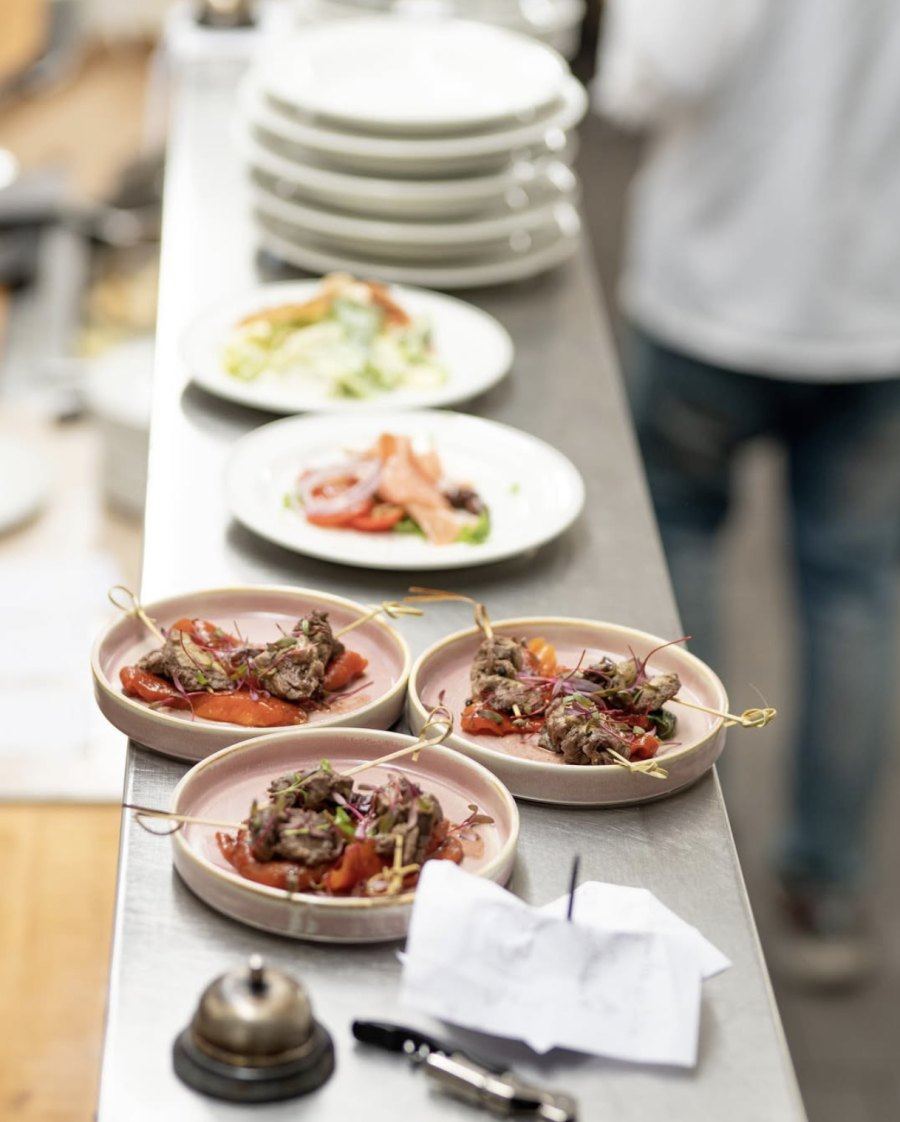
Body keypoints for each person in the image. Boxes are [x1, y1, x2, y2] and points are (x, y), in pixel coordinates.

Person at [595, 0, 900, 986]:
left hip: (716, 288)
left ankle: (693, 871)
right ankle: (828, 896)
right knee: (854, 595)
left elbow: (655, 72)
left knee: (677, 551)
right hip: (880, 303)